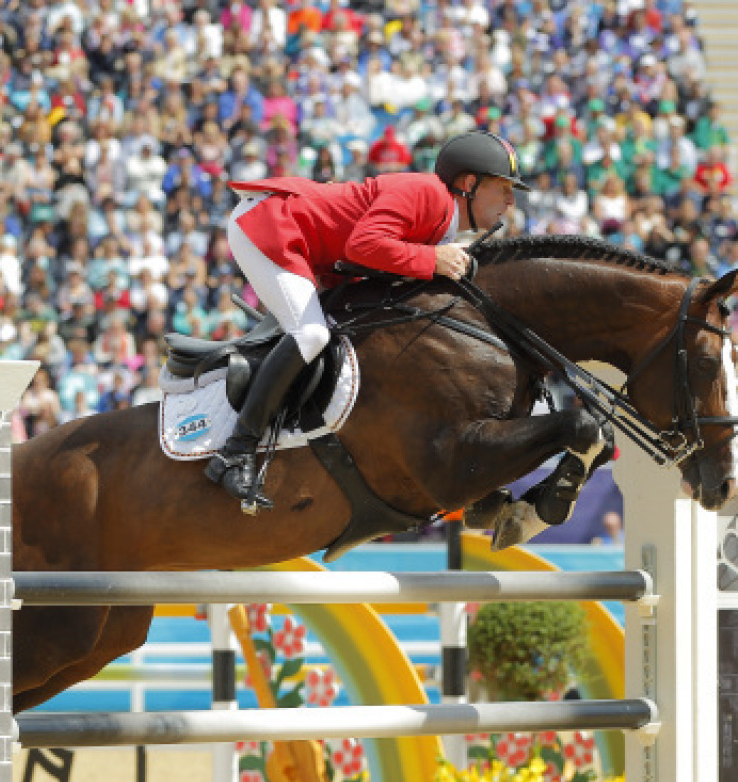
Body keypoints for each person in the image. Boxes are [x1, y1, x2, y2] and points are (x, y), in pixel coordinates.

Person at [204, 130, 529, 510]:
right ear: (469, 184)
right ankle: (235, 451)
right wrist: (432, 260)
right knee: (310, 334)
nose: (511, 200)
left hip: (312, 248)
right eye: (503, 187)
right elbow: (364, 246)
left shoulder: (441, 221)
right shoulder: (429, 195)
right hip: (271, 225)